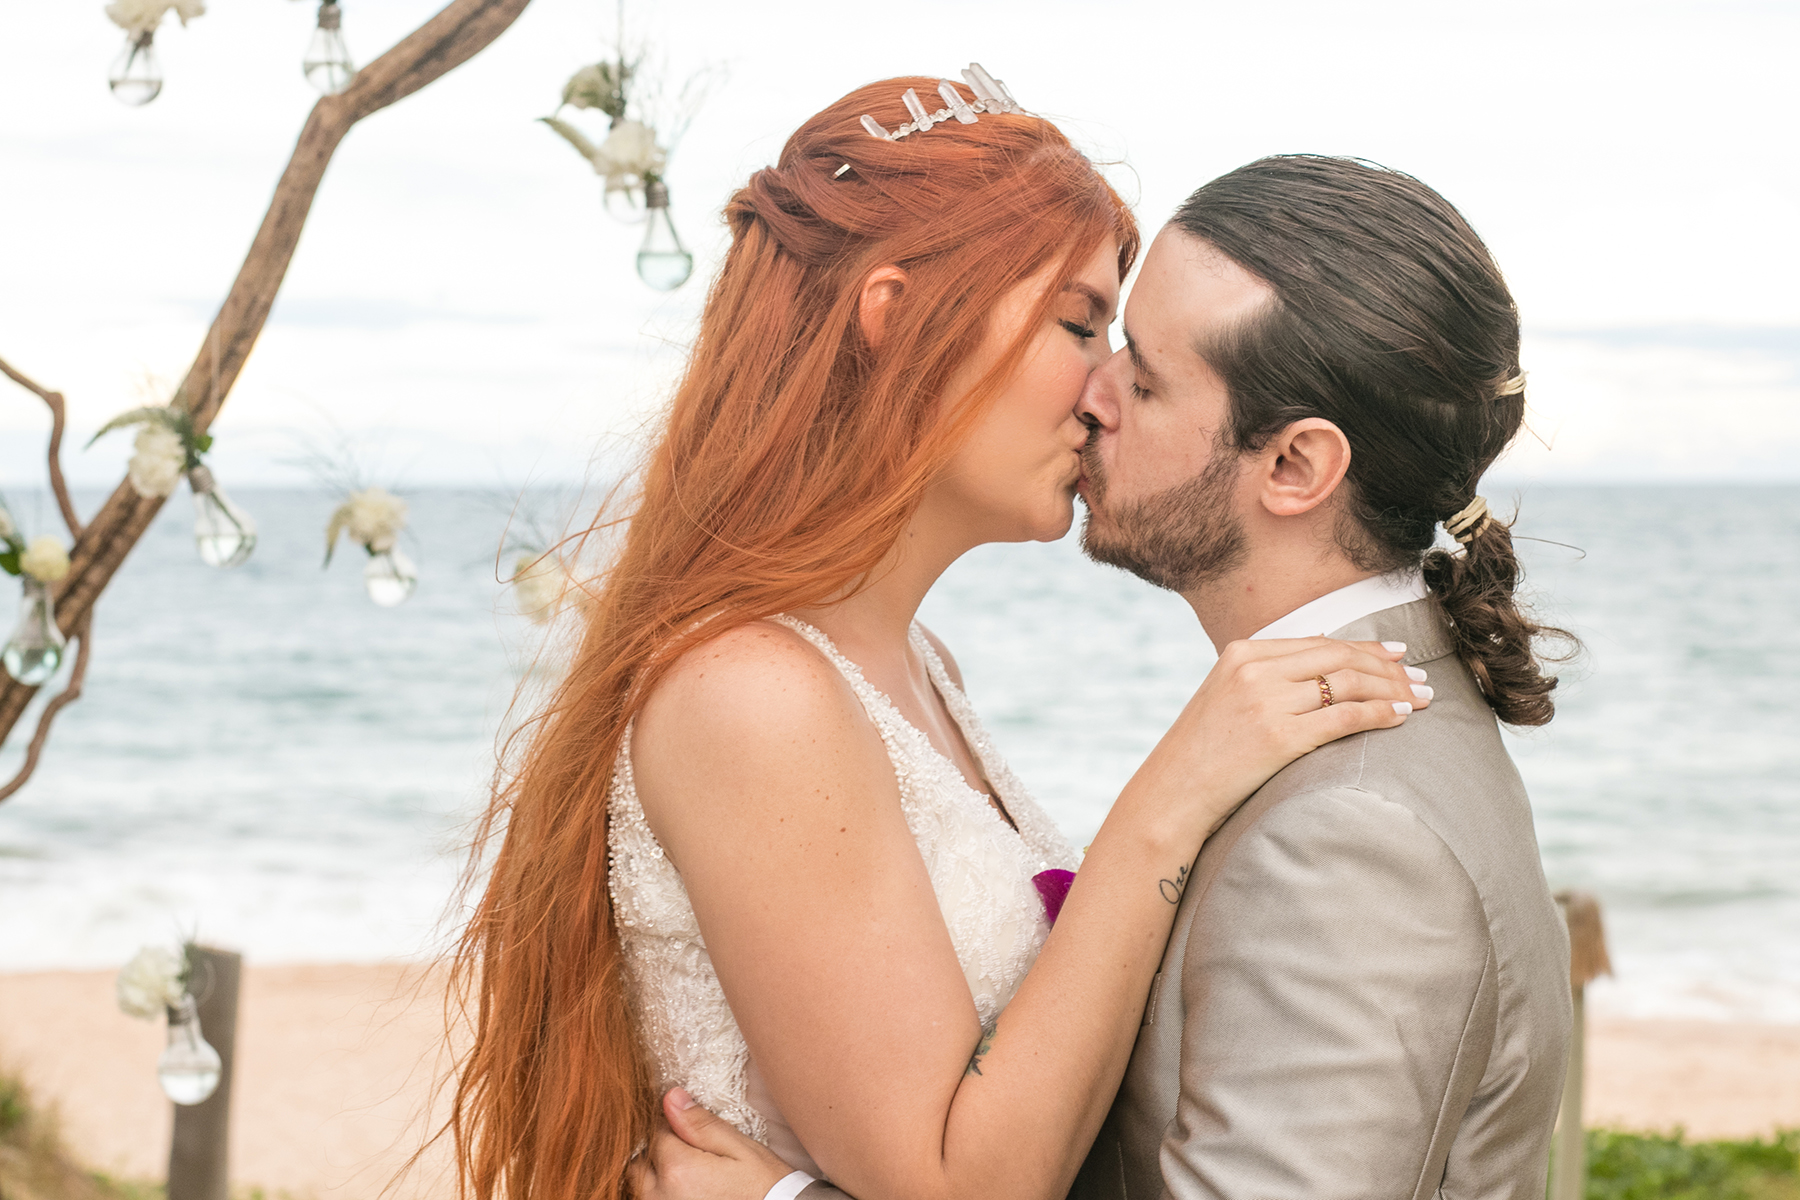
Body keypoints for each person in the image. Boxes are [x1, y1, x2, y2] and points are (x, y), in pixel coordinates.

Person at [444, 77, 1427, 1200]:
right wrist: (1169, 803)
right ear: (897, 315)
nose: (1106, 391)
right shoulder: (754, 697)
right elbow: (959, 1182)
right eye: (1078, 323)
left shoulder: (917, 667)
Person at [634, 155, 1575, 1200]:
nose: (1094, 394)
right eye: (1100, 337)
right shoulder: (1335, 738)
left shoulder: (1350, 832)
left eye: (1146, 376)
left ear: (1295, 467)